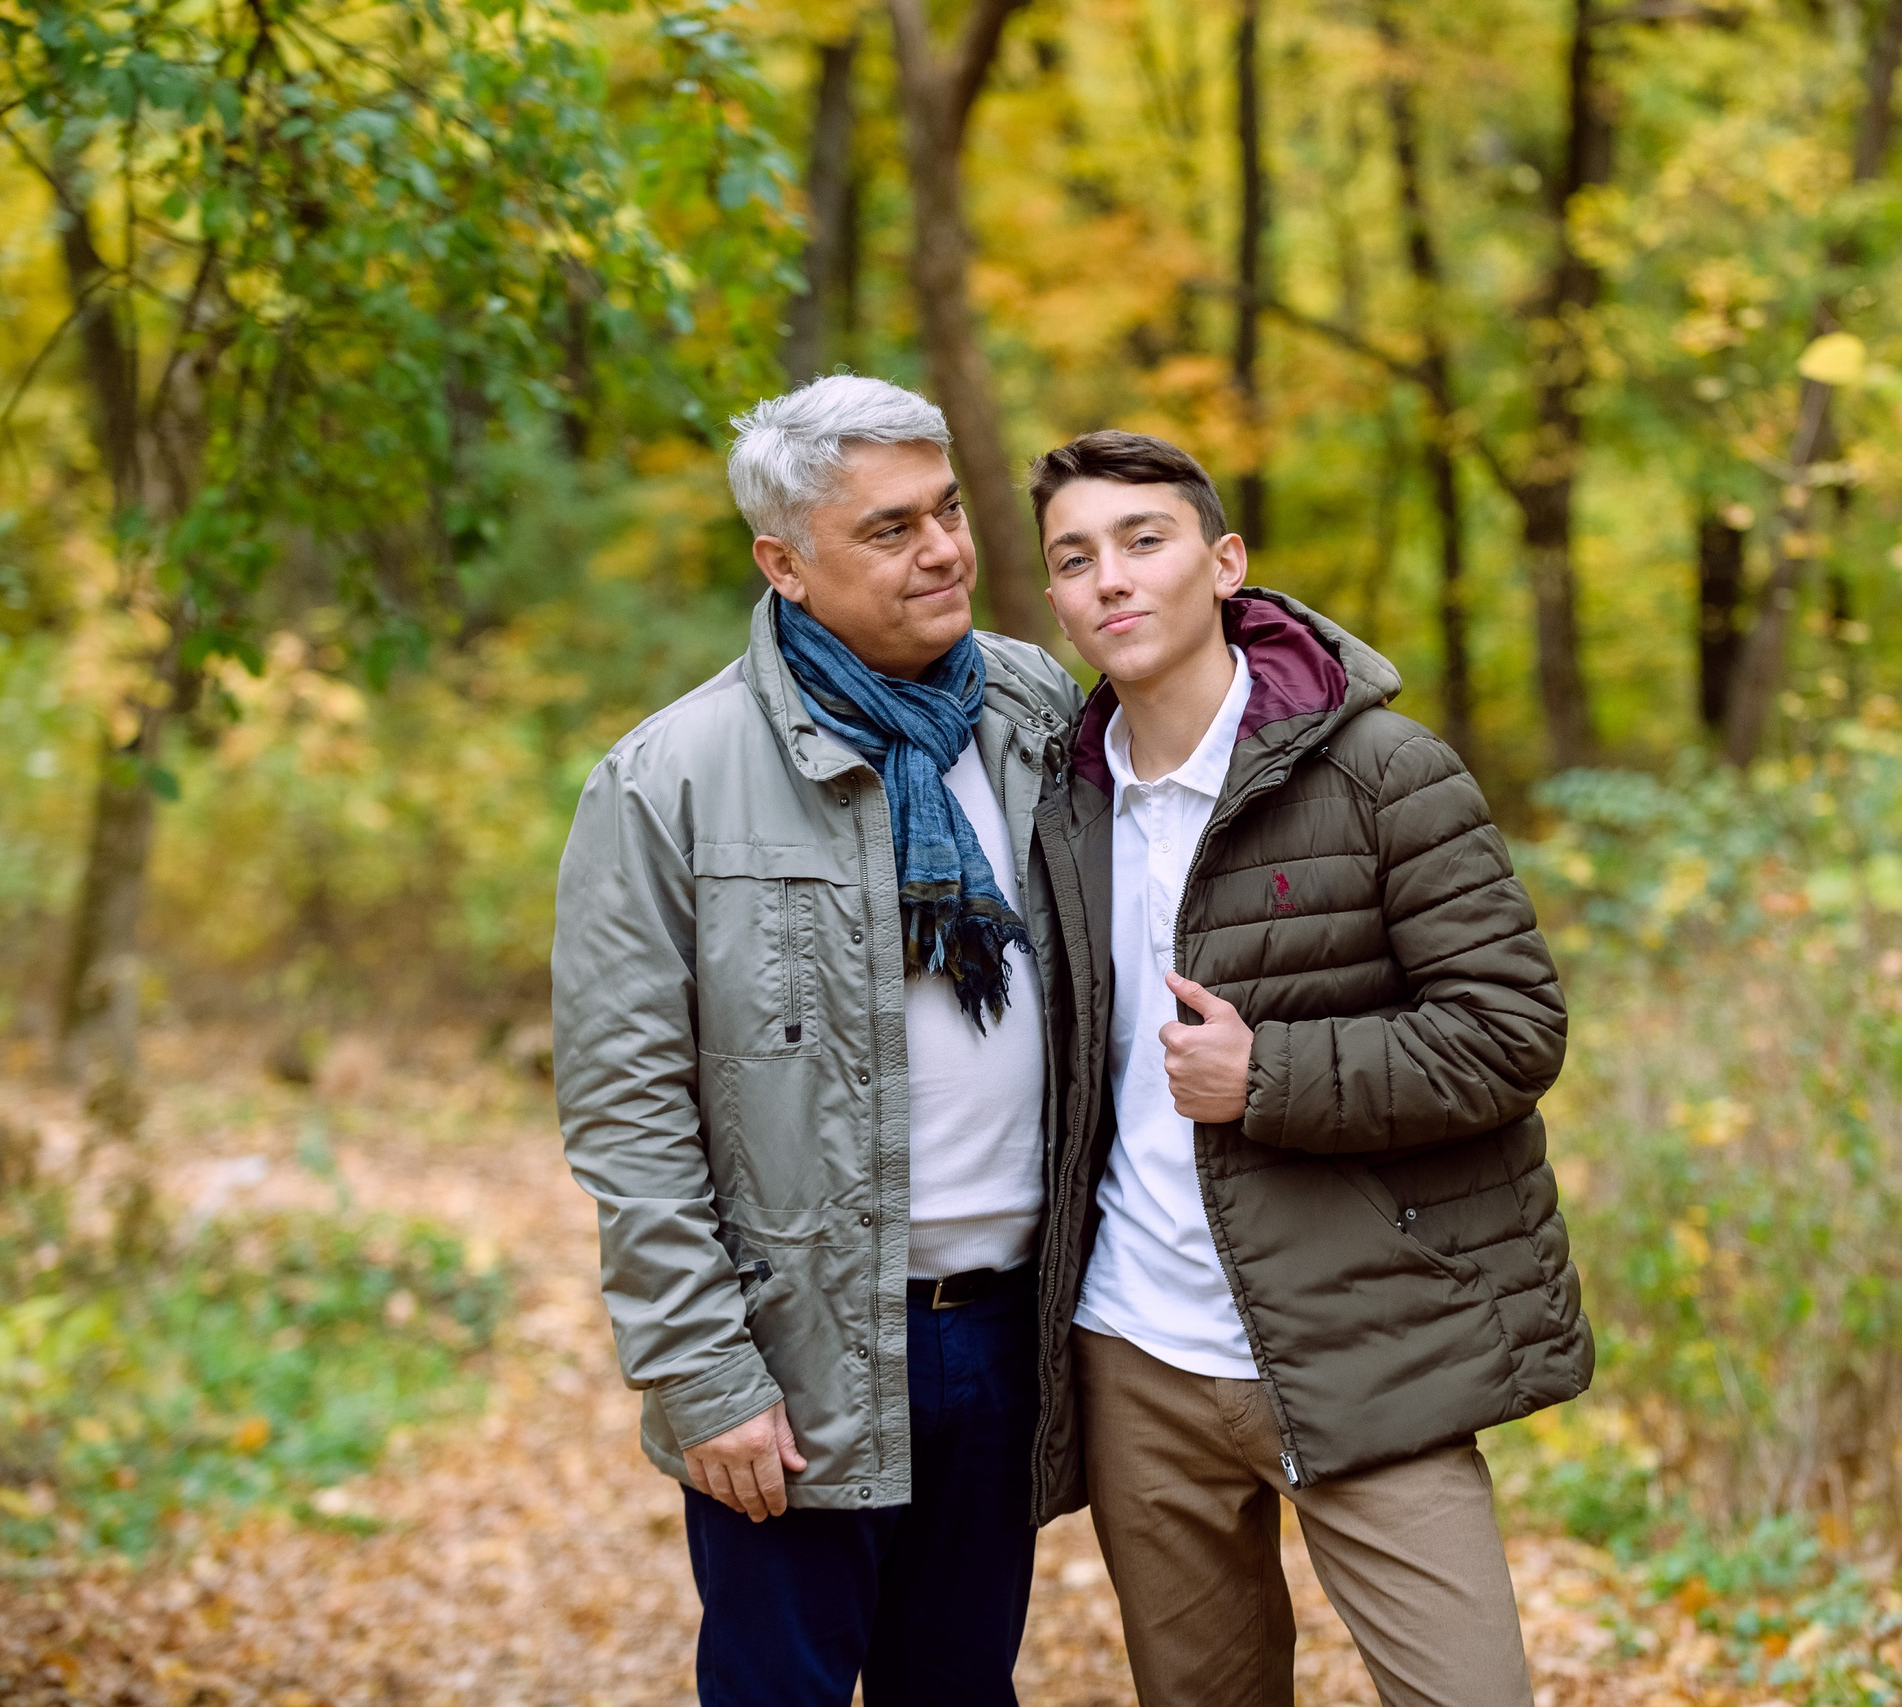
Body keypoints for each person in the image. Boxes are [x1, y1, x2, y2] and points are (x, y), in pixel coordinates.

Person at [1023, 430, 1589, 1707]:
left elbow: (1510, 1029)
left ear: (1225, 564)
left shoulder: (1386, 771)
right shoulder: (1060, 803)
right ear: (1054, 599)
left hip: (1361, 1339)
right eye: (1074, 558)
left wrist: (1268, 1074)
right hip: (1136, 1358)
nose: (1109, 578)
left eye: (1142, 540)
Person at [551, 375, 1081, 1707]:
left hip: (1011, 1322)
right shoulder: (668, 776)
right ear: (782, 562)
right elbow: (628, 1108)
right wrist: (702, 1371)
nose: (947, 548)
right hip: (798, 1343)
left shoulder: (1034, 712)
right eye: (891, 528)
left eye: (948, 509)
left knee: (961, 1689)